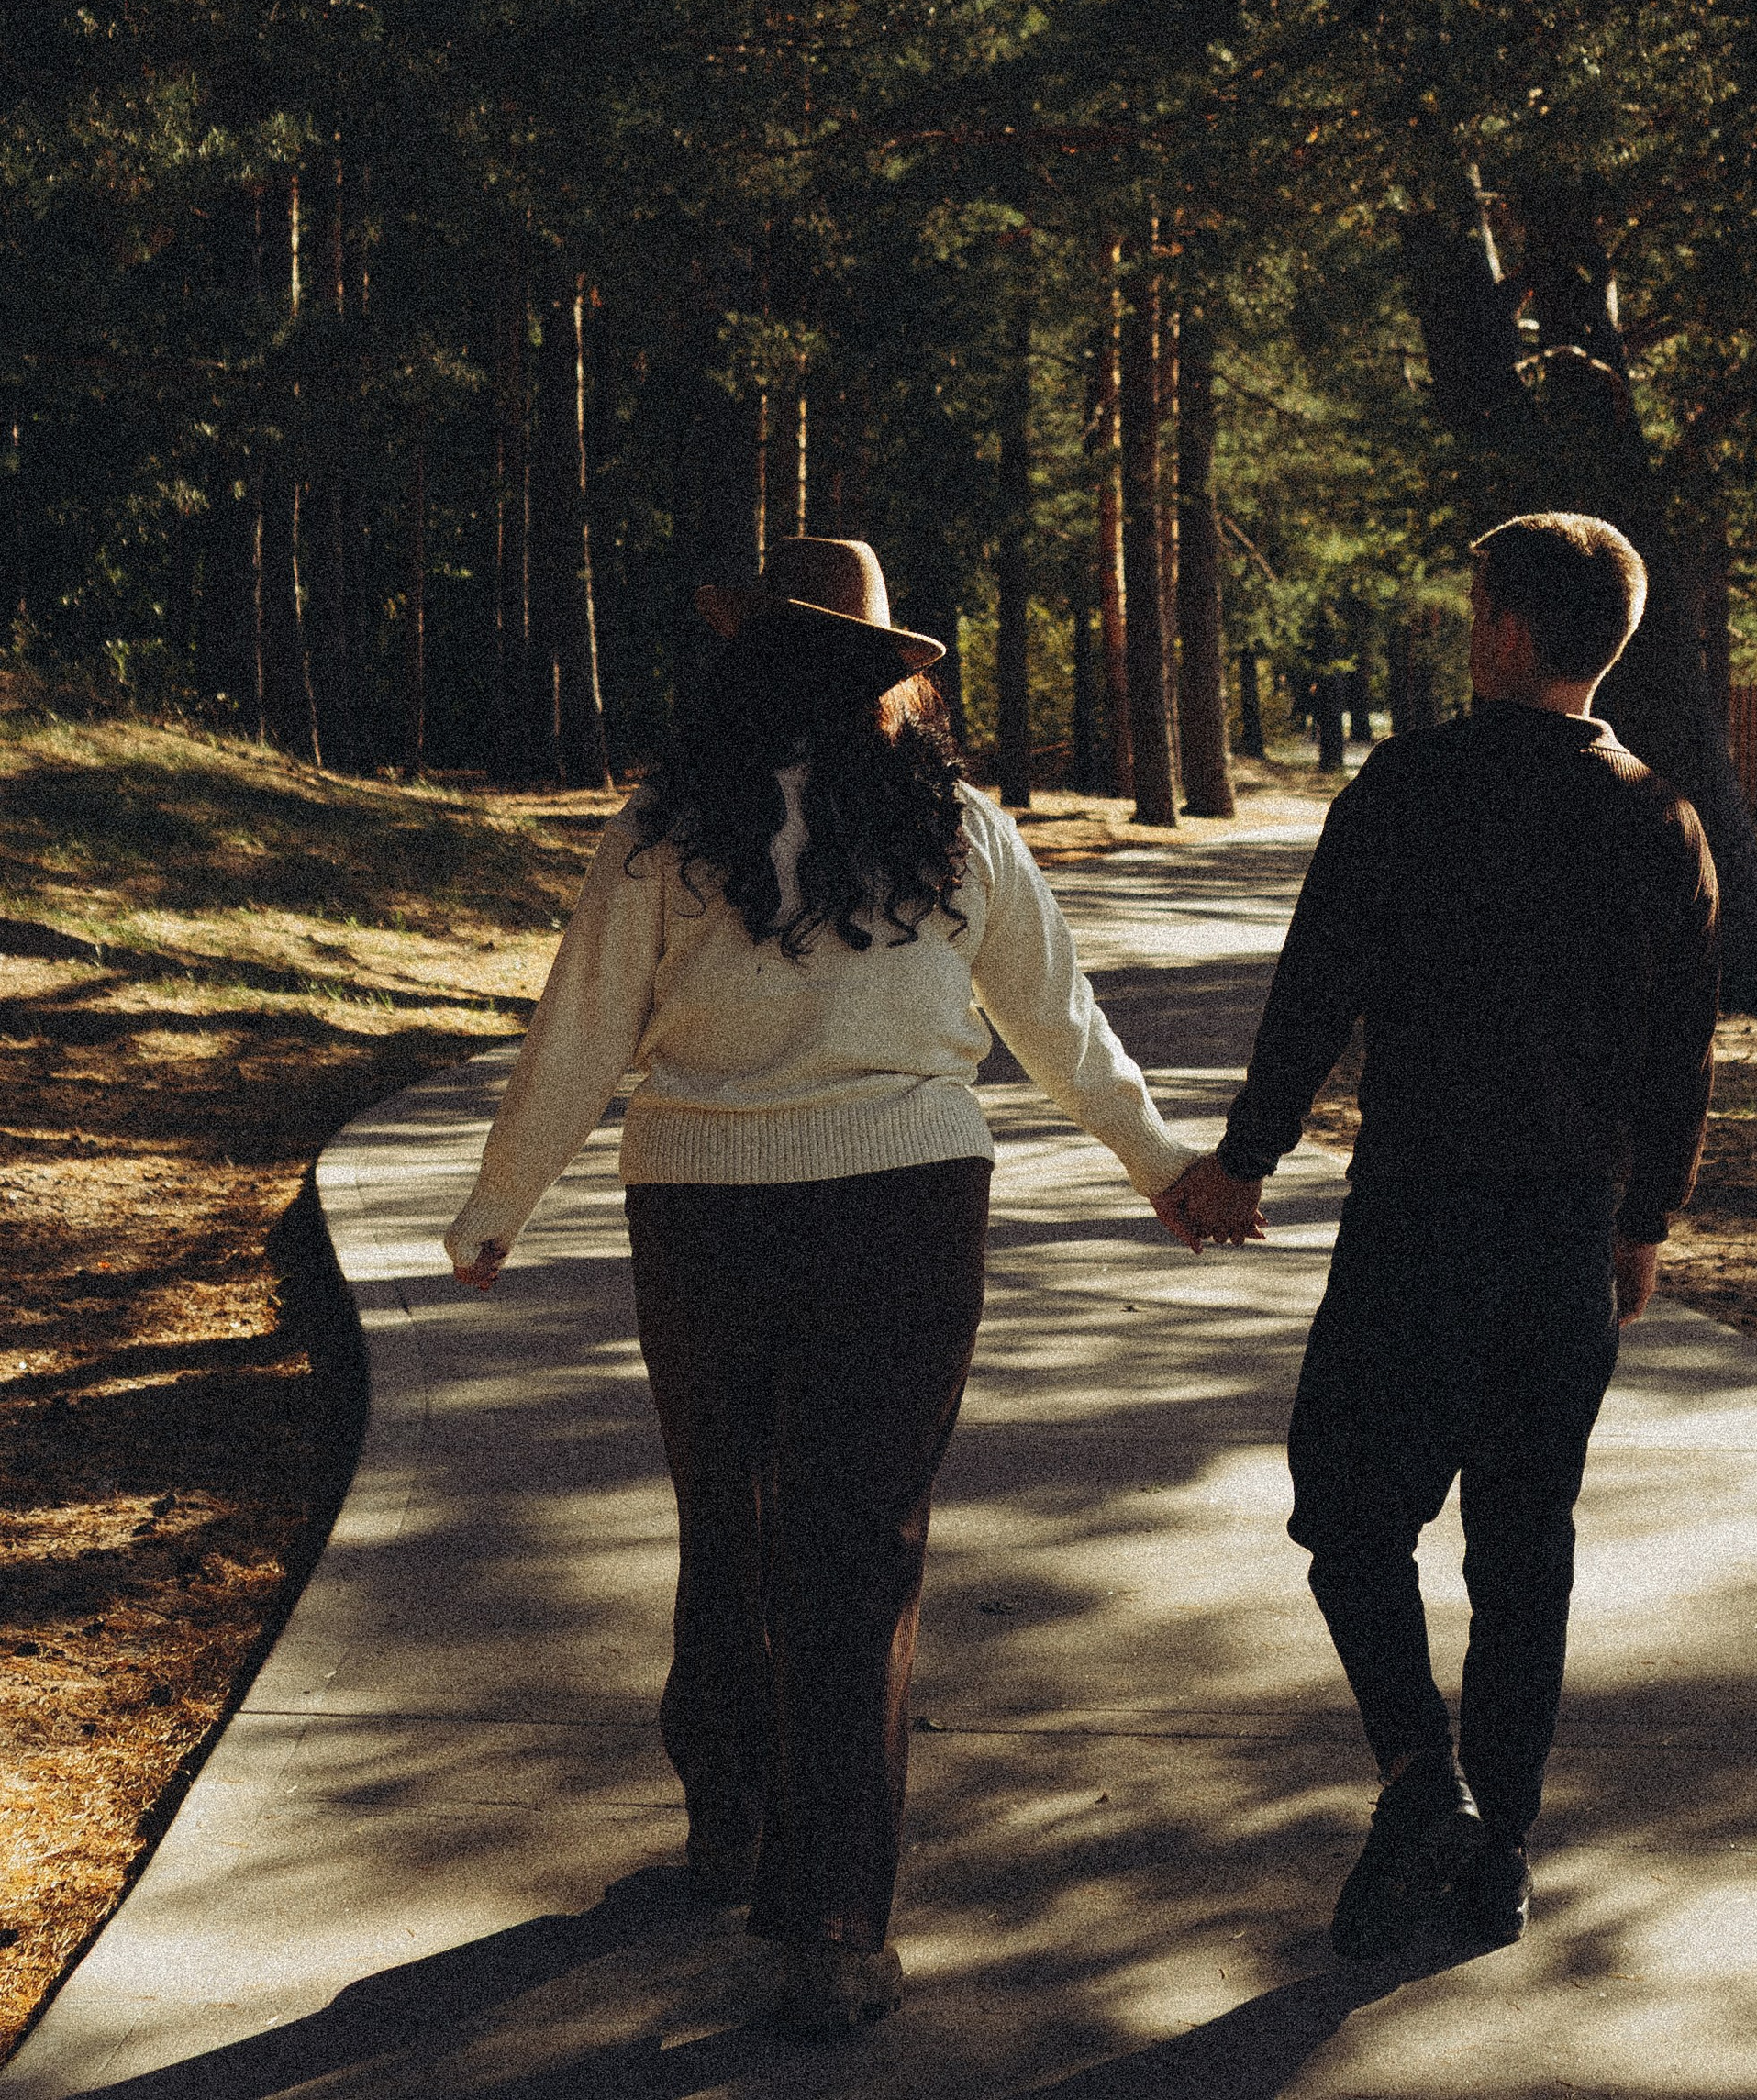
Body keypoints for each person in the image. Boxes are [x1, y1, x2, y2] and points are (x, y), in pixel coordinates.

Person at [442, 539, 1201, 2037]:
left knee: (728, 1511)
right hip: (905, 1215)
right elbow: (1060, 1021)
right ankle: (836, 1924)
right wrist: (1163, 1168)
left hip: (703, 1211)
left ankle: (728, 1808)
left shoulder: (664, 834)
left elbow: (581, 1028)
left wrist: (498, 1203)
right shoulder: (955, 832)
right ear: (885, 684)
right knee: (858, 1554)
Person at [1163, 511, 1719, 1961]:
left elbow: (1316, 993)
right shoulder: (1659, 816)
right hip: (1561, 1247)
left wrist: (1242, 1161)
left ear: (1509, 632)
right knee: (1524, 1546)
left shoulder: (1408, 788)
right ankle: (1497, 1850)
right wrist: (1644, 1223)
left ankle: (1423, 1785)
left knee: (1349, 1515)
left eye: (1477, 605)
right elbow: (1683, 1056)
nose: (1466, 624)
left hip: (1416, 1226)